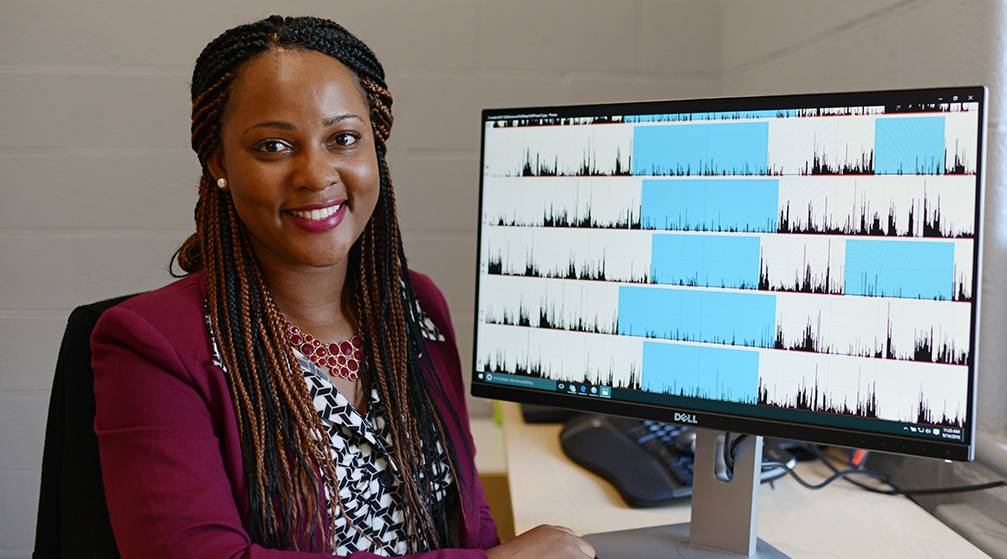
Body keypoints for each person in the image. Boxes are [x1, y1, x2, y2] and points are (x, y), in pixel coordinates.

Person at [90, 14, 595, 559]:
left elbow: (464, 508)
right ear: (219, 162)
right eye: (273, 147)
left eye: (343, 138)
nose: (316, 173)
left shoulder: (415, 305)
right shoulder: (152, 344)